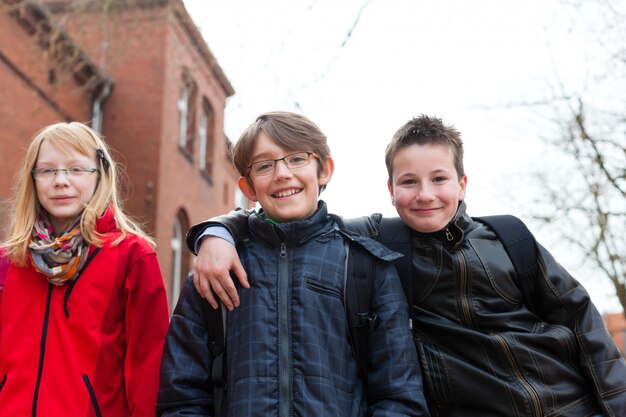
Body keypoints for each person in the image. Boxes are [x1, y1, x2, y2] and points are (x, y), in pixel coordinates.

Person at [186, 114, 626, 416]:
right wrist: (216, 231)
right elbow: (295, 228)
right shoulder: (376, 244)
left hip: (569, 404)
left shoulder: (509, 238)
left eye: (439, 179)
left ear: (462, 183)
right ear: (391, 190)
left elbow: (582, 322)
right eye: (409, 182)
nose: (425, 194)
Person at [156, 111, 430, 417]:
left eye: (297, 159)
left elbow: (399, 395)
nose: (282, 173)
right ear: (248, 188)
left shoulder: (366, 267)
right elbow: (181, 398)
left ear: (324, 169)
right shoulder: (215, 271)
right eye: (264, 165)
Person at [0, 122, 170, 417]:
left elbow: (148, 369)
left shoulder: (132, 256)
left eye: (76, 169)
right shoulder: (8, 261)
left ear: (99, 175)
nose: (60, 181)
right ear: (33, 179)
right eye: (47, 170)